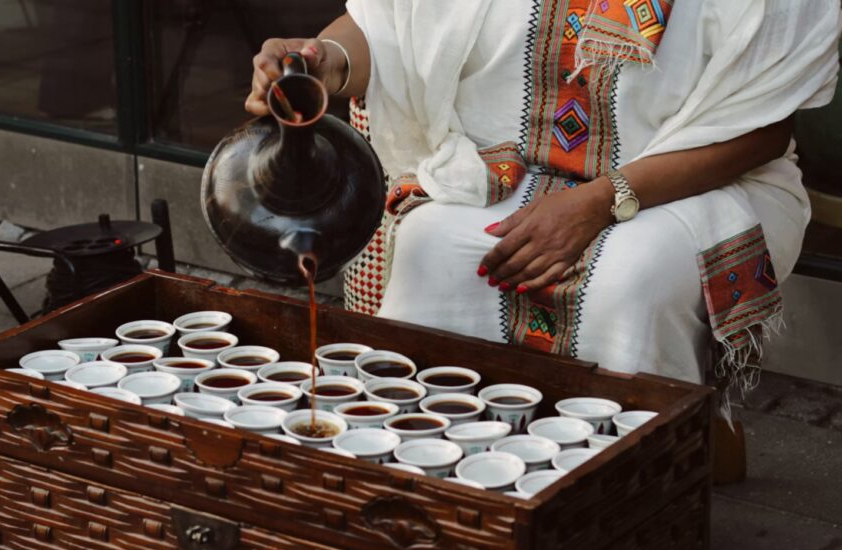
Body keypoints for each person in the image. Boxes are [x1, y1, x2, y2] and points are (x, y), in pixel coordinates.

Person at [245, 0, 841, 399]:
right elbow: (386, 24)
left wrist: (601, 203)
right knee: (432, 244)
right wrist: (321, 60)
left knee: (629, 275)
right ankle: (439, 476)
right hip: (512, 171)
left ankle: (630, 491)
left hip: (692, 183)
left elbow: (765, 130)